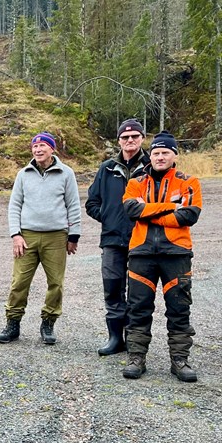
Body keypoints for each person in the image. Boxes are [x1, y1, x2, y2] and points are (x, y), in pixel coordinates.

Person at [121, 131, 202, 382]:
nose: (159, 156)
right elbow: (131, 209)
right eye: (156, 152)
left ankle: (180, 360)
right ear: (151, 155)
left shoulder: (189, 181)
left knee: (179, 309)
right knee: (138, 308)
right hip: (142, 254)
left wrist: (149, 212)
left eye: (165, 152)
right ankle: (136, 357)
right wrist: (170, 206)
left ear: (174, 155)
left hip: (176, 254)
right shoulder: (136, 181)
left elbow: (189, 215)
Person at [0, 132, 81, 345]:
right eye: (35, 146)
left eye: (43, 145)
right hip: (27, 236)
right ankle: (12, 324)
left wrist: (74, 235)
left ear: (52, 149)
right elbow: (14, 205)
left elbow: (73, 205)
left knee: (56, 283)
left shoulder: (66, 173)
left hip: (56, 237)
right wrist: (15, 234)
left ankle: (48, 323)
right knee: (19, 282)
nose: (38, 150)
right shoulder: (23, 174)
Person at [86, 119, 149, 356]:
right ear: (119, 140)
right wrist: (109, 217)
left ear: (142, 138)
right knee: (112, 289)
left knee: (138, 292)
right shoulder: (107, 168)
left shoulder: (151, 166)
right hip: (112, 240)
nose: (130, 140)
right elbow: (92, 202)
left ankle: (134, 338)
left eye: (134, 136)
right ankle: (115, 338)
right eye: (125, 137)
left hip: (142, 239)